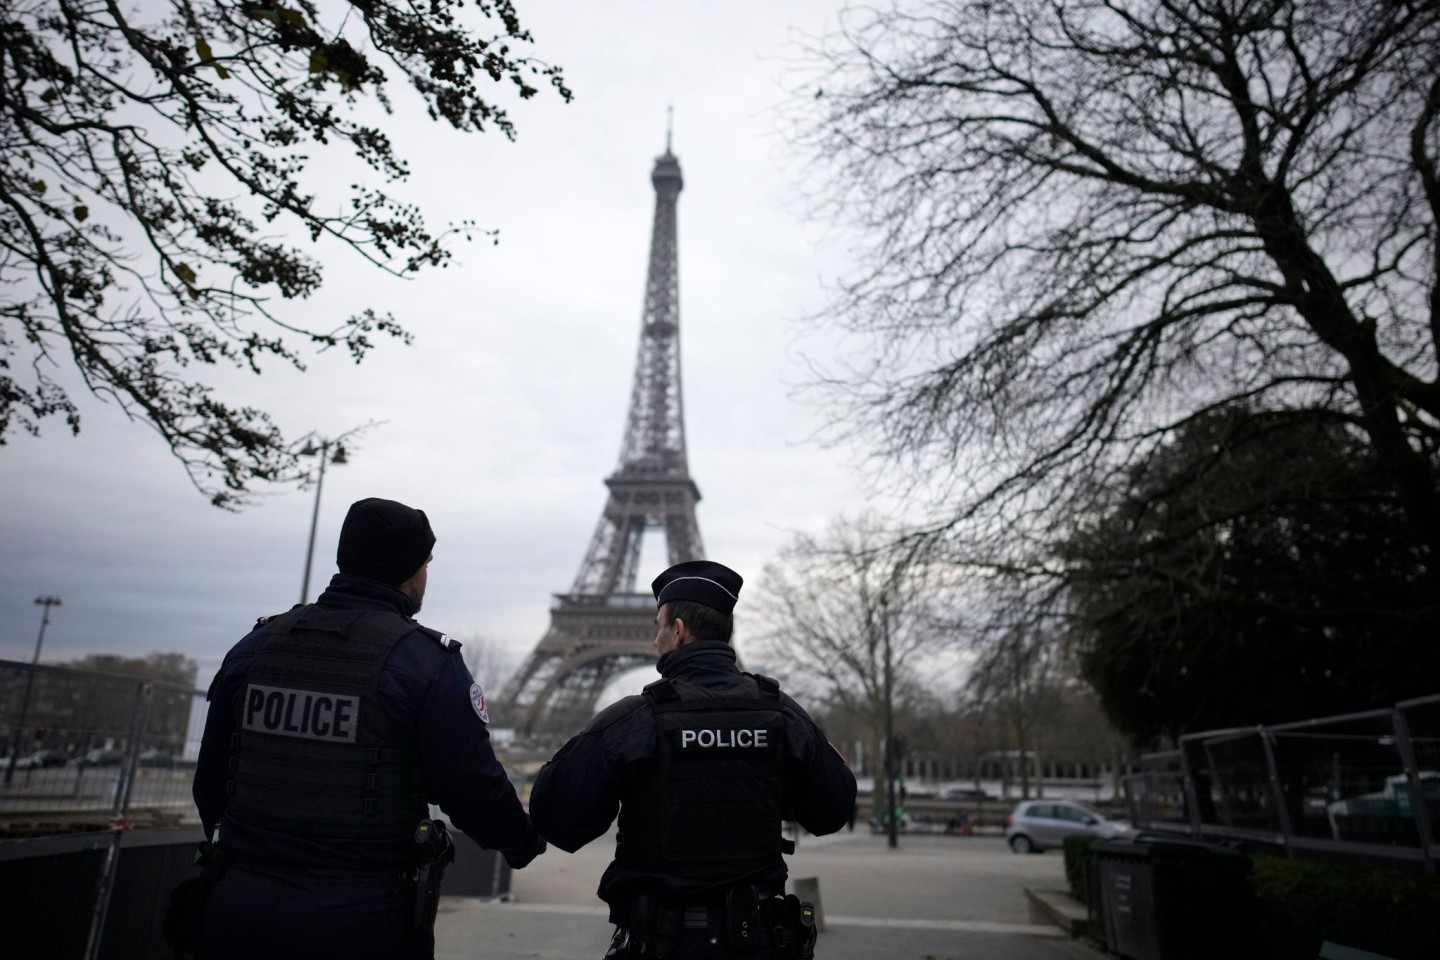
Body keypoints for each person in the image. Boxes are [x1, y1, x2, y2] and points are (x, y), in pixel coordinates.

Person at [183, 497, 546, 959]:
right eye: (425, 564)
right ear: (410, 569)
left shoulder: (255, 646)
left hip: (235, 900)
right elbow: (469, 786)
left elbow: (212, 779)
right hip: (357, 911)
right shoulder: (426, 664)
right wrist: (523, 840)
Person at [530, 560, 857, 959]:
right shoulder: (781, 715)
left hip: (666, 941)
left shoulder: (635, 721)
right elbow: (833, 810)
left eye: (658, 627)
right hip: (757, 937)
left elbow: (557, 818)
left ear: (679, 631)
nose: (654, 640)